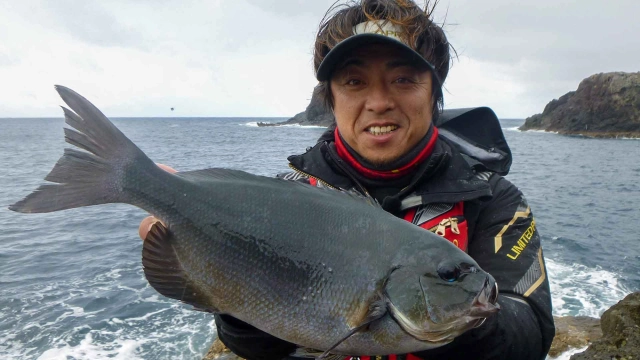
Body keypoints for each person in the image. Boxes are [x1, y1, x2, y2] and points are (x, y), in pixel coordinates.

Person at [140, 0, 555, 359]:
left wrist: (457, 316)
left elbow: (529, 336)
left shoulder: (493, 199)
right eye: (354, 82)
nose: (379, 102)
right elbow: (257, 348)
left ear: (434, 91)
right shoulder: (288, 196)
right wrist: (233, 283)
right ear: (331, 98)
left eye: (404, 79)